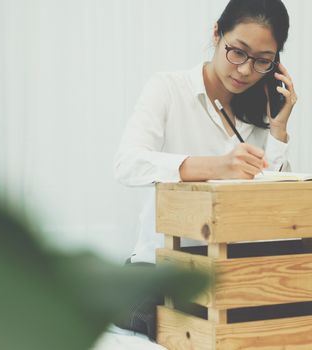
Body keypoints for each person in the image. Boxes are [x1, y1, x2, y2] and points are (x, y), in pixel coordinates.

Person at [112, 0, 296, 341]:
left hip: (227, 269)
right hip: (161, 270)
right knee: (192, 323)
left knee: (295, 310)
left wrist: (279, 130)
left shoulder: (261, 111)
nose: (244, 70)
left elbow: (272, 205)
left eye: (262, 61)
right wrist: (215, 167)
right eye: (237, 52)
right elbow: (127, 163)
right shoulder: (167, 88)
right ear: (216, 34)